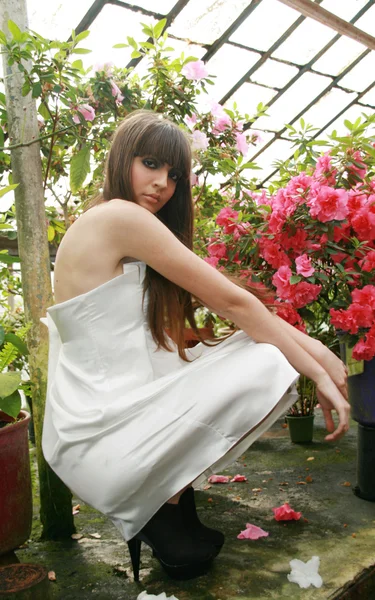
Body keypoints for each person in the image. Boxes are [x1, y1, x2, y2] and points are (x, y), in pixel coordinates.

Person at [43, 109, 350, 582]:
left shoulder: (114, 222)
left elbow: (231, 308)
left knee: (246, 345)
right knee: (266, 360)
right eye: (150, 163)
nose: (162, 183)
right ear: (121, 157)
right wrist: (318, 365)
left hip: (106, 414)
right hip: (106, 427)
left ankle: (171, 498)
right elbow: (232, 301)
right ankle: (160, 504)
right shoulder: (119, 216)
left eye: (174, 174)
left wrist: (315, 353)